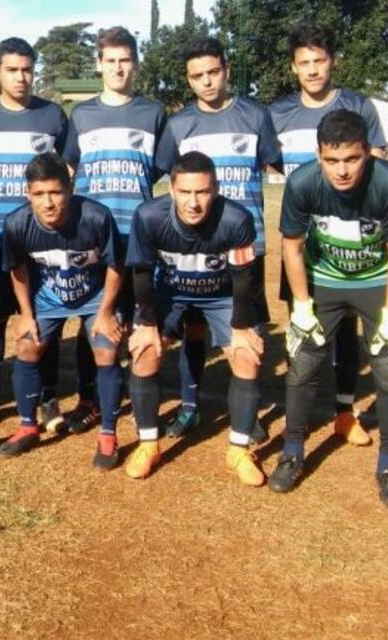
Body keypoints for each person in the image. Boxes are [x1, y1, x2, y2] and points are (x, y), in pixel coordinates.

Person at [268, 110, 388, 507]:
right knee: (303, 362)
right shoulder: (302, 182)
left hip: (377, 280)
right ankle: (292, 452)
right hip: (324, 278)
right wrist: (301, 307)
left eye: (352, 158)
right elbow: (292, 248)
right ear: (319, 155)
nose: (342, 170)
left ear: (367, 152)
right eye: (332, 160)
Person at [155, 36, 280, 439]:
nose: (206, 81)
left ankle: (248, 414)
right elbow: (163, 178)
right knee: (194, 329)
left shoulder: (255, 115)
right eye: (197, 76)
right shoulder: (178, 125)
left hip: (246, 245)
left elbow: (281, 165)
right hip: (194, 246)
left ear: (226, 69)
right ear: (188, 79)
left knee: (247, 333)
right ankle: (190, 407)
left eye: (213, 72)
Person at [269, 23, 387, 448]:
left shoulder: (357, 105)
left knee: (346, 330)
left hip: (347, 242)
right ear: (293, 67)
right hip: (301, 243)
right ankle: (295, 411)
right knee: (300, 325)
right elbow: (275, 164)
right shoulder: (278, 113)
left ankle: (344, 411)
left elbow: (376, 162)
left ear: (332, 61)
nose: (313, 70)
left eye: (319, 60)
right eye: (304, 62)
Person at [124, 151, 264, 483]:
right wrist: (146, 324)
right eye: (185, 192)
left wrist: (241, 327)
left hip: (221, 295)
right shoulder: (148, 216)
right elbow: (141, 274)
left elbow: (244, 278)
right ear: (172, 190)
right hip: (170, 293)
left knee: (246, 355)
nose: (194, 202)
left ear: (216, 189)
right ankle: (148, 445)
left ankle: (239, 450)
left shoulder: (237, 219)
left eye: (202, 192)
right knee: (144, 351)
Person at [62, 25, 167, 434]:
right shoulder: (81, 114)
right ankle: (90, 399)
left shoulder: (152, 113)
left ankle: (141, 396)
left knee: (139, 316)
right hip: (92, 236)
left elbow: (157, 168)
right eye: (111, 61)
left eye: (125, 60)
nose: (118, 68)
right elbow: (72, 167)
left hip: (136, 234)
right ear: (99, 63)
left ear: (135, 64)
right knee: (93, 318)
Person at [0, 153, 125, 469]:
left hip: (95, 296)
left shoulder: (96, 217)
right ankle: (28, 426)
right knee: (27, 345)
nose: (48, 202)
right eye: (39, 194)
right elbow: (18, 269)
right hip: (48, 299)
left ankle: (108, 434)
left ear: (70, 189)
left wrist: (106, 312)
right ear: (27, 193)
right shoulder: (16, 223)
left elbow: (115, 265)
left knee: (106, 349)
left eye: (56, 192)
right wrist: (25, 314)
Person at [0, 37, 69, 430]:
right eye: (12, 70)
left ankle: (47, 397)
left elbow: (64, 168)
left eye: (27, 69)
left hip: (39, 243)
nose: (21, 77)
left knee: (45, 321)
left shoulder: (52, 116)